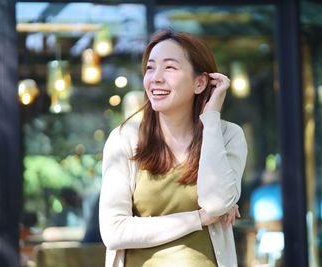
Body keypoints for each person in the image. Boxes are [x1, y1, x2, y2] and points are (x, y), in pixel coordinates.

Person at [99, 30, 248, 267]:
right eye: (150, 68)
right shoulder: (124, 139)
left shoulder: (227, 135)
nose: (156, 78)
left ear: (200, 82)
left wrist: (210, 119)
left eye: (169, 67)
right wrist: (198, 218)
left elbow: (217, 203)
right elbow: (114, 231)